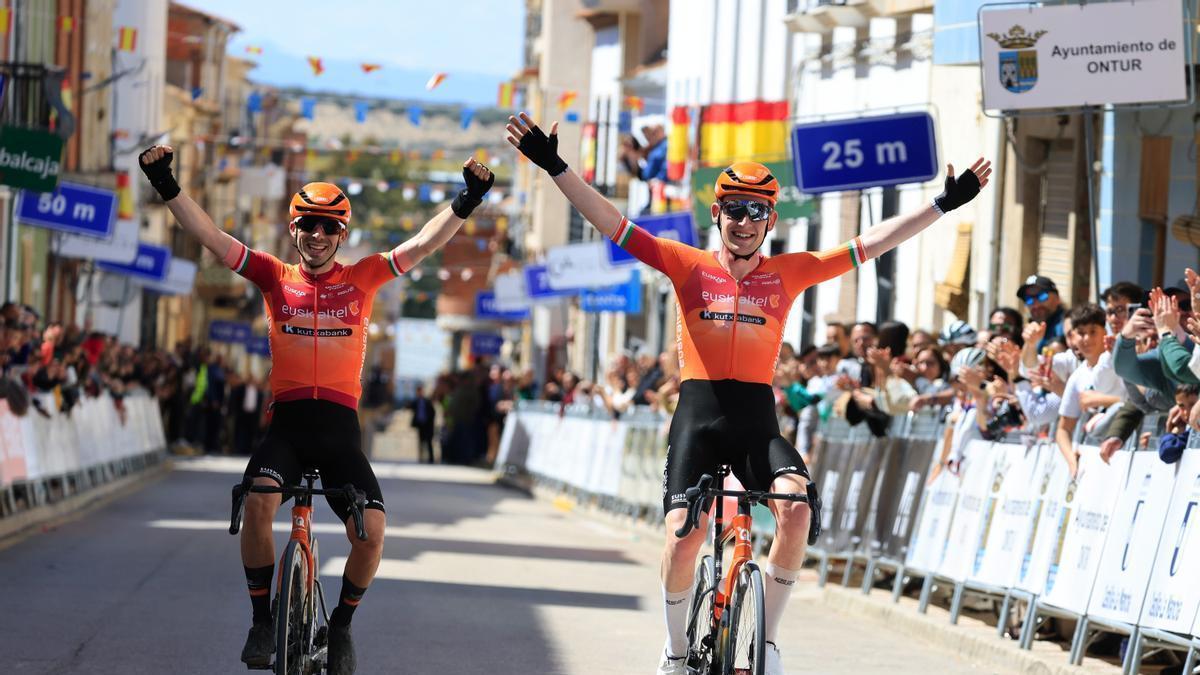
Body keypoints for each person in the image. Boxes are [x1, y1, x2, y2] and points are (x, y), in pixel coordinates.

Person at [505, 111, 990, 675]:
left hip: (757, 421)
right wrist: (555, 167)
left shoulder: (788, 273)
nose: (743, 221)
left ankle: (772, 639)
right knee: (683, 536)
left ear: (770, 220)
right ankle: (675, 651)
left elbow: (870, 244)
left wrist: (942, 205)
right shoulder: (686, 265)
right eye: (734, 209)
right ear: (717, 213)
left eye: (756, 211)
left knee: (796, 511)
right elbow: (612, 222)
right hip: (698, 417)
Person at [139, 144, 493, 674]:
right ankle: (262, 620)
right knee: (259, 503)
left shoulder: (364, 278)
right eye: (307, 225)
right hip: (287, 428)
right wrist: (164, 181)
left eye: (328, 227)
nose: (317, 235)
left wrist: (468, 198)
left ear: (342, 235)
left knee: (371, 535)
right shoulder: (273, 276)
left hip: (338, 434)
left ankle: (341, 629)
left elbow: (422, 243)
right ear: (294, 230)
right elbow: (211, 237)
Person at [1017, 275, 1066, 351]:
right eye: (1028, 299)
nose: (1035, 305)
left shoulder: (1067, 324)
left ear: (1057, 298)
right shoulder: (1029, 327)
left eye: (1042, 296)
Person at [409, 383, 437, 464]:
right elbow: (409, 407)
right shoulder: (416, 401)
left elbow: (433, 412)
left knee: (429, 442)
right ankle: (421, 458)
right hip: (420, 425)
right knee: (421, 442)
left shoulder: (427, 401)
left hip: (427, 425)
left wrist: (429, 420)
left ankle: (431, 459)